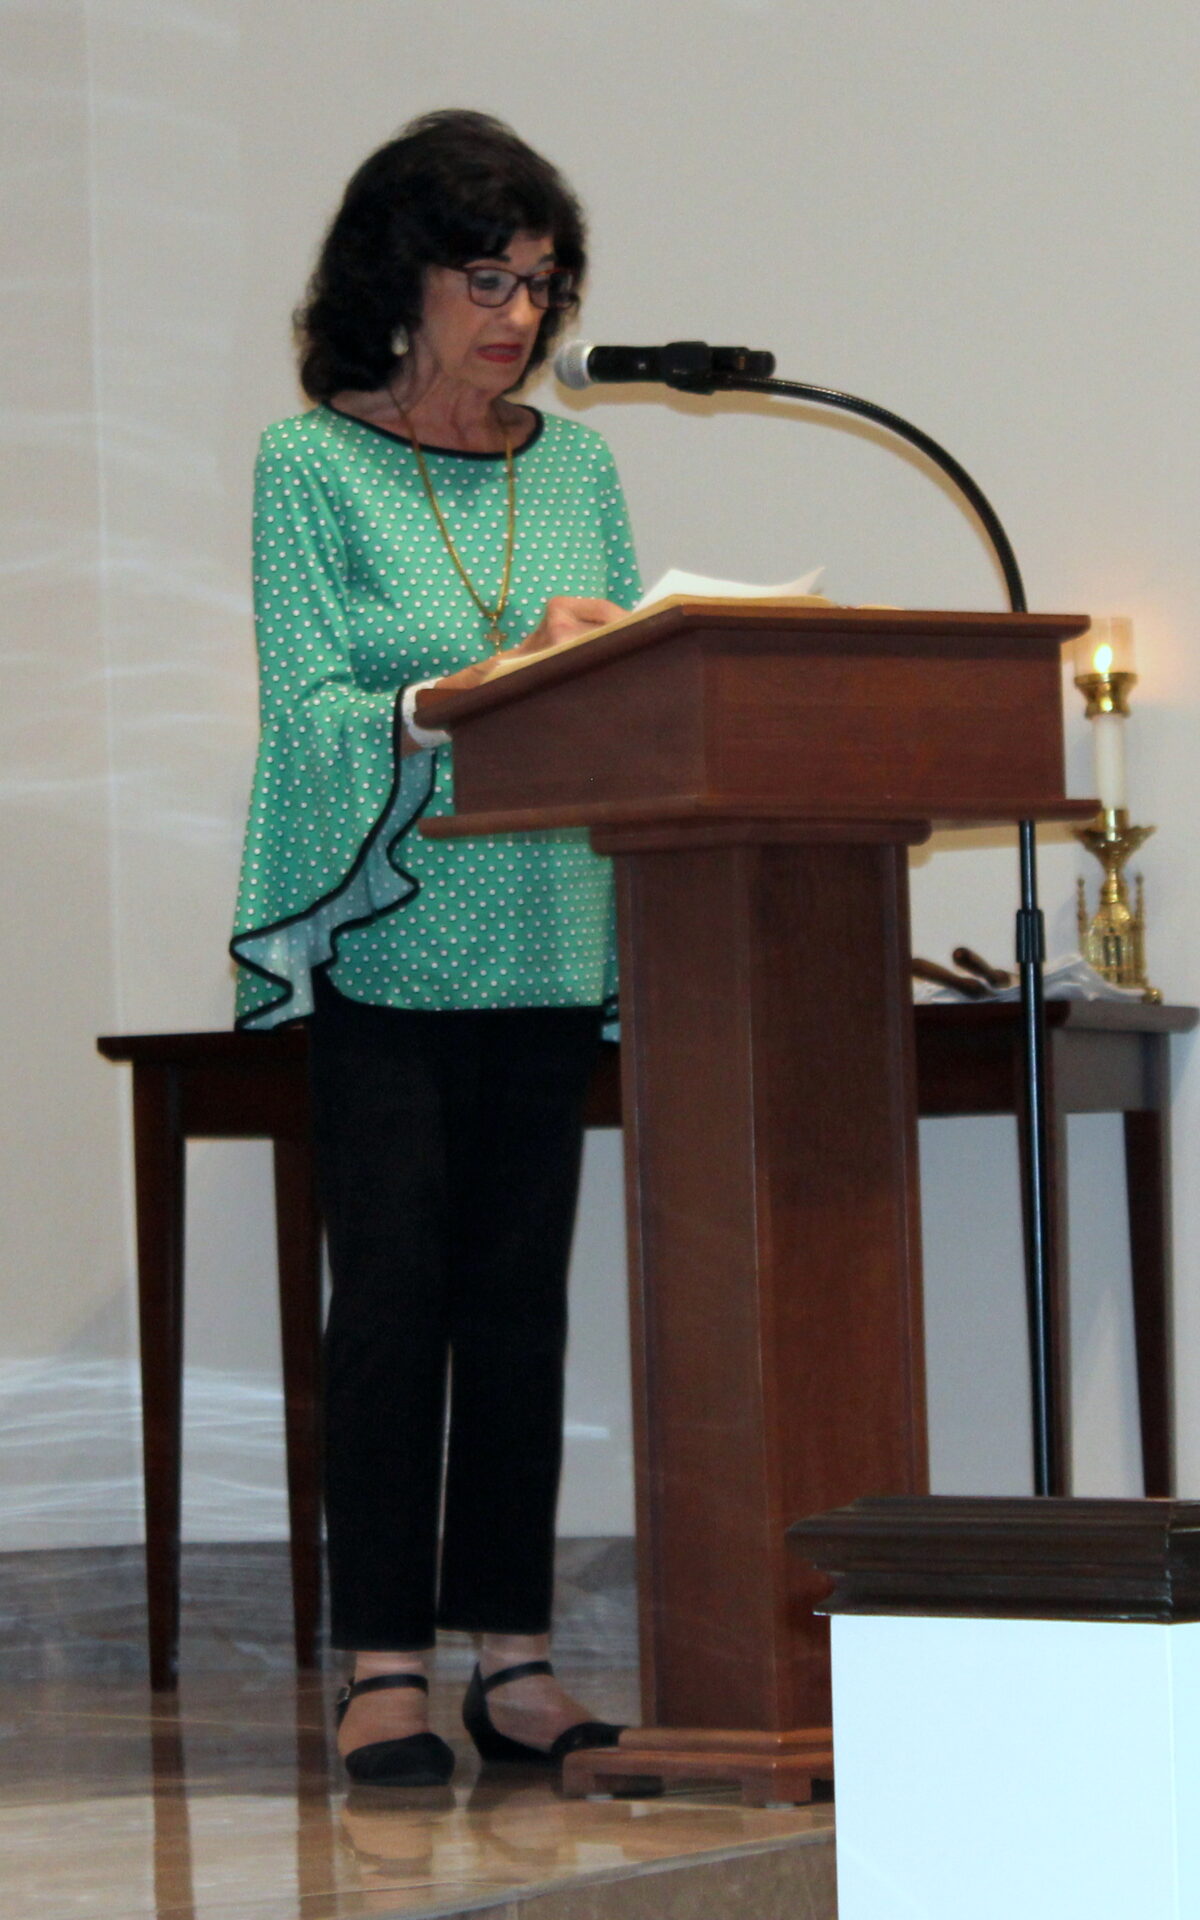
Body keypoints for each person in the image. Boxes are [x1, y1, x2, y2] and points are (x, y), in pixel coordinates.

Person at [230, 110, 641, 1787]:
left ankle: (515, 1658)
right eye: (488, 278)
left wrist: (608, 662)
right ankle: (386, 1666)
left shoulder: (585, 466)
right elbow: (309, 707)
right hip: (391, 937)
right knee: (390, 1304)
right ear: (397, 280)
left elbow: (622, 681)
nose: (518, 317)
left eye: (541, 285)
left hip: (548, 928)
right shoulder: (305, 464)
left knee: (519, 1309)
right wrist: (464, 695)